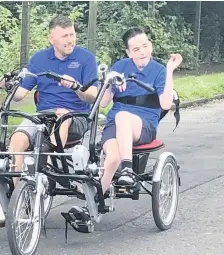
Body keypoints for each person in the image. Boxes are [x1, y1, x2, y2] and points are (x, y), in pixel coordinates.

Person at [68, 27, 182, 228]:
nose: (142, 52)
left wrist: (170, 70)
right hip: (115, 124)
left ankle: (127, 170)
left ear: (150, 45)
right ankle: (92, 206)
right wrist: (108, 81)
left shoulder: (159, 71)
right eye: (136, 49)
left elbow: (165, 104)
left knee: (123, 116)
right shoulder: (120, 66)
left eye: (145, 46)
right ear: (129, 52)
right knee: (111, 157)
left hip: (144, 125)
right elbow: (103, 103)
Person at [0, 14, 99, 225]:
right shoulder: (39, 60)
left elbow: (94, 95)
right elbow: (21, 94)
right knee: (17, 141)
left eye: (72, 34)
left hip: (75, 117)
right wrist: (7, 86)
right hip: (42, 116)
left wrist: (76, 86)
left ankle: (45, 169)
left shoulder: (85, 58)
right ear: (52, 39)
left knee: (60, 114)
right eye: (65, 36)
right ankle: (15, 198)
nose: (70, 40)